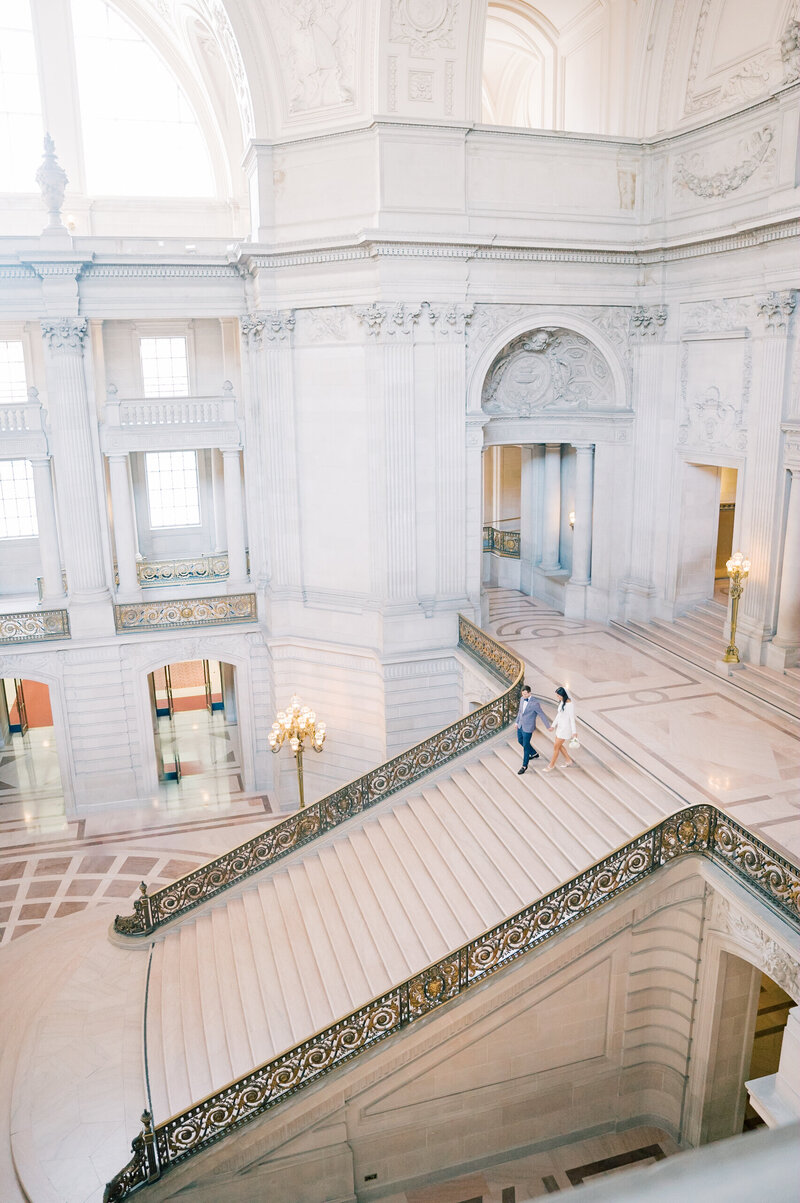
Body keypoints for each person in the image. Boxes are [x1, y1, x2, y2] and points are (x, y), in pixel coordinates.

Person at [515, 686, 549, 774]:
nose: (524, 695)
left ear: (530, 693)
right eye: (523, 694)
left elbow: (541, 714)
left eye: (525, 694)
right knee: (520, 740)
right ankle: (534, 753)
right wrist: (516, 722)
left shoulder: (535, 703)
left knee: (526, 746)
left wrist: (548, 726)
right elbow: (520, 711)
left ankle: (524, 766)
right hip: (520, 725)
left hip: (528, 727)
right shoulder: (522, 699)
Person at [542, 685, 577, 772]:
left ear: (564, 695)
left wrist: (574, 732)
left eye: (559, 696)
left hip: (565, 729)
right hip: (560, 727)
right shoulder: (562, 702)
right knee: (559, 746)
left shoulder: (570, 705)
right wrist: (553, 726)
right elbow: (559, 715)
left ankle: (551, 765)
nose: (557, 697)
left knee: (556, 747)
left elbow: (572, 719)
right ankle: (568, 760)